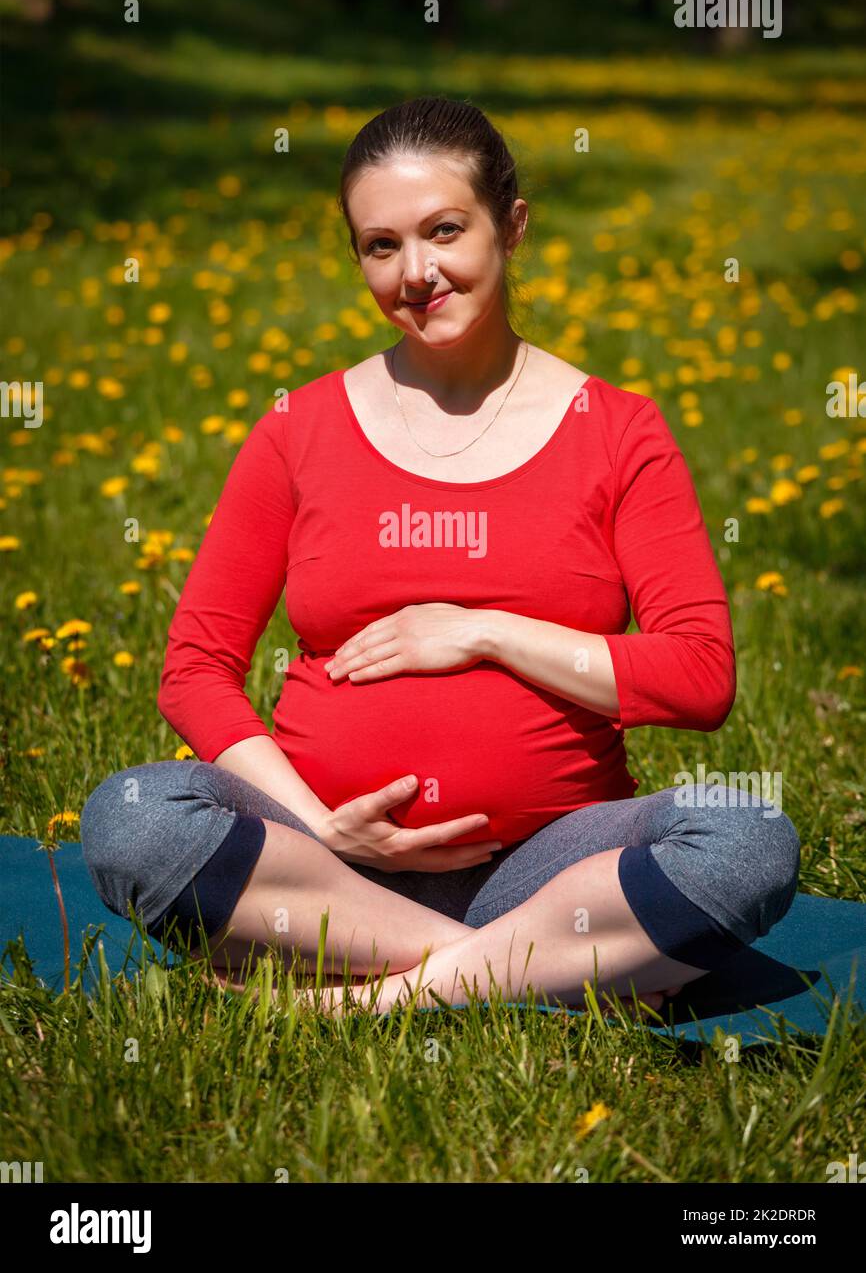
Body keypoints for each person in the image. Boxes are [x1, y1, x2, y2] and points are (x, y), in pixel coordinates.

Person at [80, 95, 800, 1018]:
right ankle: (524, 974)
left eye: (445, 231)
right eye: (381, 246)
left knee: (748, 836)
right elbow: (194, 671)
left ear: (513, 226)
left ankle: (364, 999)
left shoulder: (618, 430)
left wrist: (486, 632)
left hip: (553, 865)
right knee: (130, 818)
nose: (416, 273)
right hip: (329, 866)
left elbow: (700, 678)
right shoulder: (298, 429)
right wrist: (318, 822)